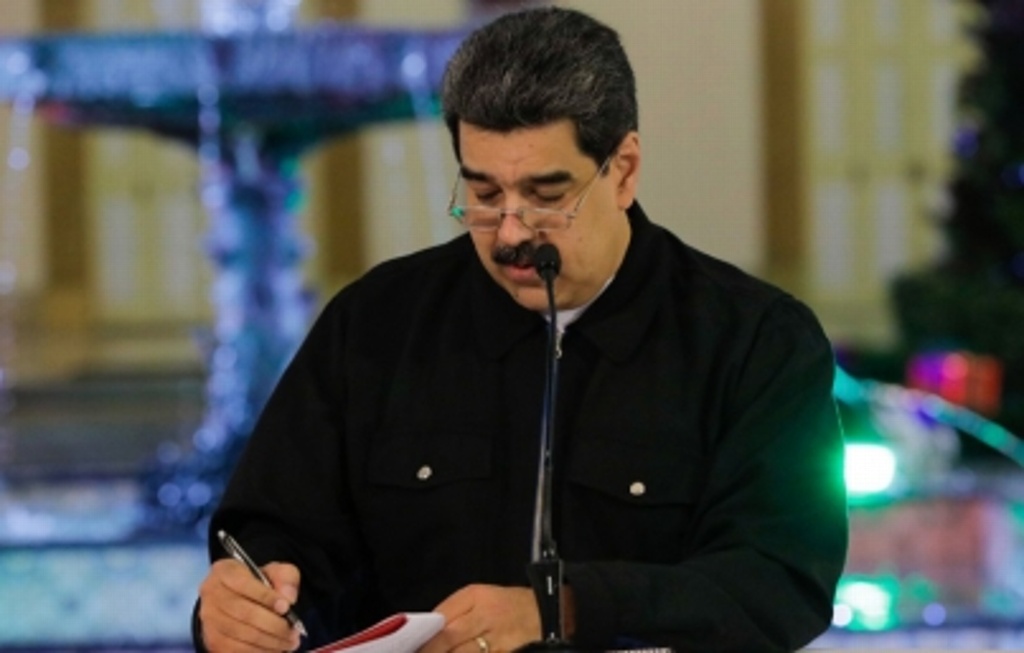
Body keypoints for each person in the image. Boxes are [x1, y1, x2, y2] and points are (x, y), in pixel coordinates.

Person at [194, 6, 848, 653]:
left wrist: (565, 609)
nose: (510, 233)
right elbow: (275, 536)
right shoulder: (374, 325)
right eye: (483, 194)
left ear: (623, 170)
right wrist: (238, 607)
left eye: (546, 196)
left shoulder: (753, 340)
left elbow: (780, 581)